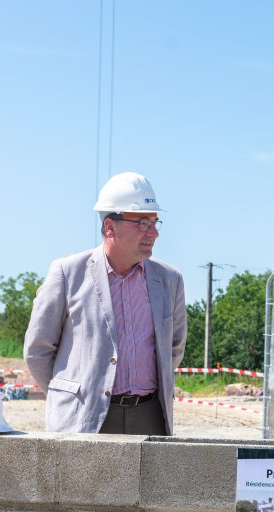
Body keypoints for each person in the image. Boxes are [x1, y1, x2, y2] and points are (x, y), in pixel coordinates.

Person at [24, 172, 187, 434]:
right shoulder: (67, 273)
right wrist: (72, 395)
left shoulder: (170, 280)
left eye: (155, 222)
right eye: (143, 223)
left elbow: (174, 349)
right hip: (84, 420)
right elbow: (38, 351)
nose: (154, 233)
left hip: (150, 418)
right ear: (110, 227)